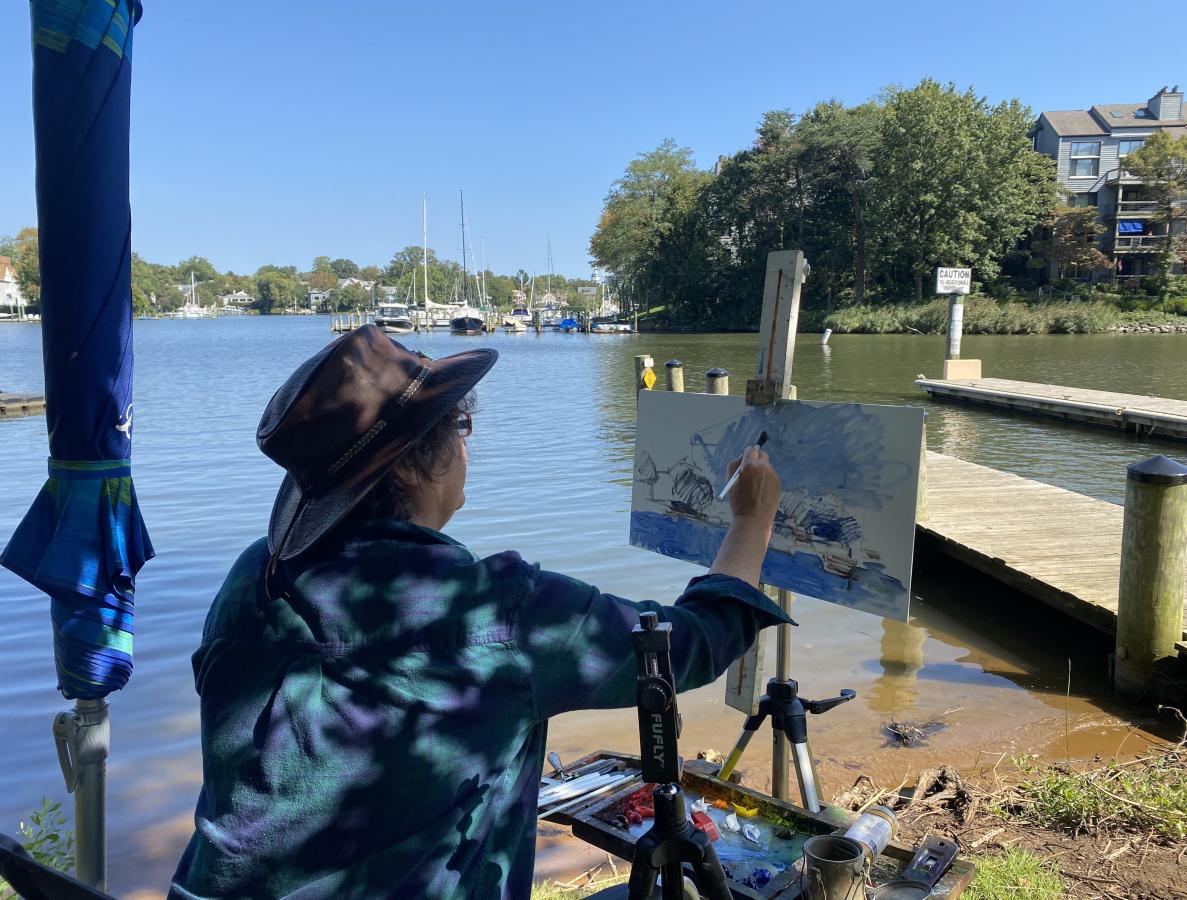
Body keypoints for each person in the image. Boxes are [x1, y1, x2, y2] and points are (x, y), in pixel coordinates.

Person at [169, 325, 791, 900]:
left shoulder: (256, 573)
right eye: (461, 427)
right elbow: (693, 645)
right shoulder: (497, 611)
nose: (469, 446)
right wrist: (752, 521)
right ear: (415, 463)